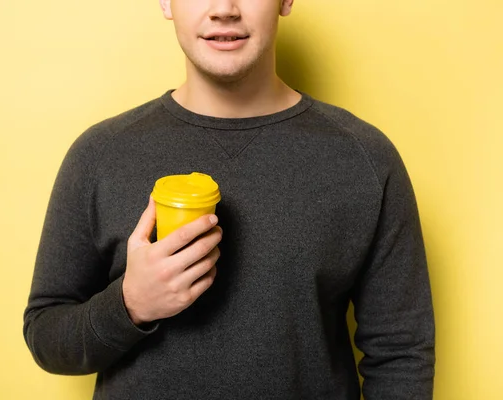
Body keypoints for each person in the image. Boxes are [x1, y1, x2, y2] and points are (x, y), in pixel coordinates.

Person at [23, 0, 436, 399]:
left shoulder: (364, 159)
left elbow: (401, 355)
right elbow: (46, 333)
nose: (224, 8)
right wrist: (130, 304)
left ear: (286, 0)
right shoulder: (100, 155)